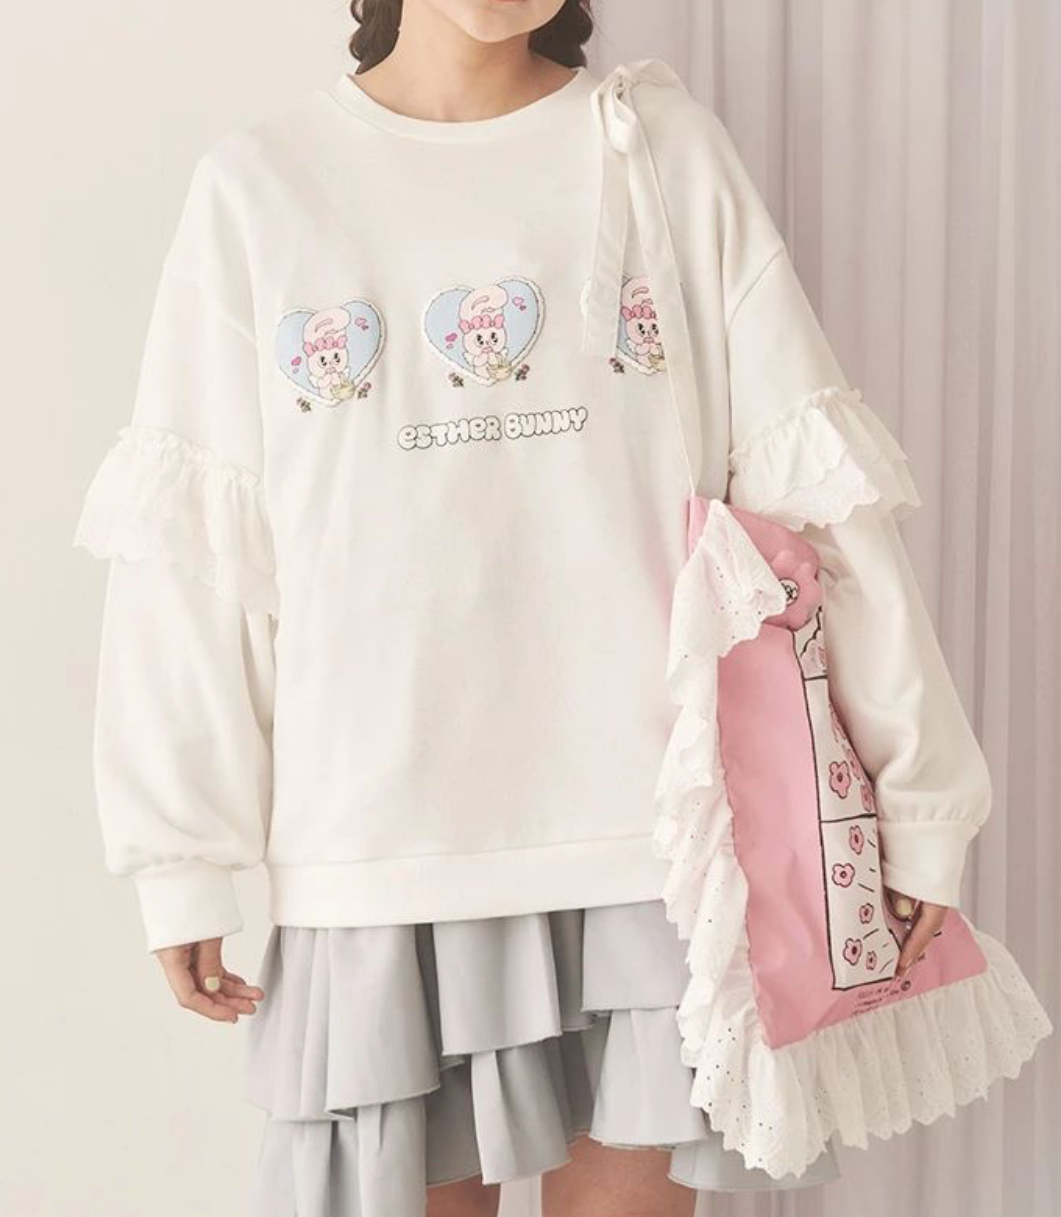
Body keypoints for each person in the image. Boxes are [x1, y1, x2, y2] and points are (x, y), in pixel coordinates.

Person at [72, 1, 1039, 1213]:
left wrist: (920, 798)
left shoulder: (662, 151)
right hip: (378, 847)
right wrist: (182, 854)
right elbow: (197, 558)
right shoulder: (260, 189)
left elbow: (815, 502)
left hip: (652, 845)